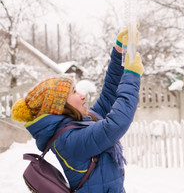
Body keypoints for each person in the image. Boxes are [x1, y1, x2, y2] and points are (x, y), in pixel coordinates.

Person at [11, 28, 143, 193]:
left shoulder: (82, 123)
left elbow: (109, 94)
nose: (82, 96)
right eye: (74, 92)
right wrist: (131, 75)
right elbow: (116, 124)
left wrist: (118, 53)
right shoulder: (69, 140)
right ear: (59, 107)